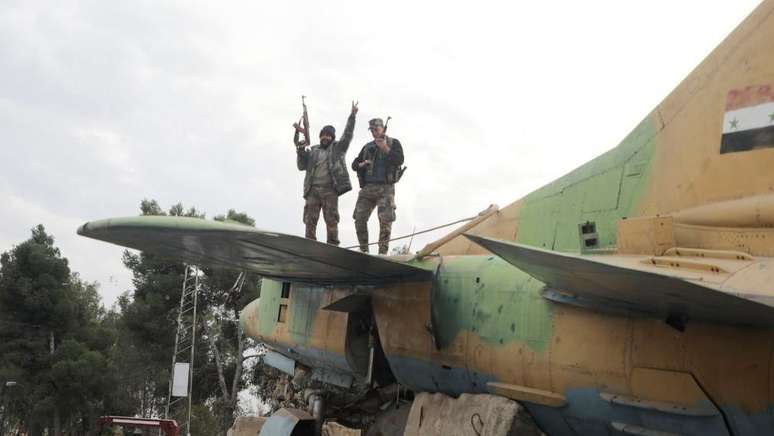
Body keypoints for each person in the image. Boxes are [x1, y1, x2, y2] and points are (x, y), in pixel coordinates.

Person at [296, 101, 358, 245]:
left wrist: (352, 116)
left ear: (332, 137)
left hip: (330, 189)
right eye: (323, 135)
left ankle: (333, 245)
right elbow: (301, 166)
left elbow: (347, 135)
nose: (325, 137)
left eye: (328, 136)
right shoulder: (313, 150)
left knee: (331, 219)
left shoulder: (338, 148)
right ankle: (310, 244)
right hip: (312, 190)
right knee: (310, 219)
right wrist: (300, 151)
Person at [351, 118, 405, 254]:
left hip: (386, 188)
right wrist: (361, 165)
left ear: (382, 128)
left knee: (385, 221)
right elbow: (354, 164)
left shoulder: (393, 143)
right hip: (368, 188)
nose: (374, 132)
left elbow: (399, 159)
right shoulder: (368, 146)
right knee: (359, 218)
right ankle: (364, 251)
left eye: (376, 129)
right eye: (372, 130)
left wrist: (385, 147)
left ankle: (382, 253)